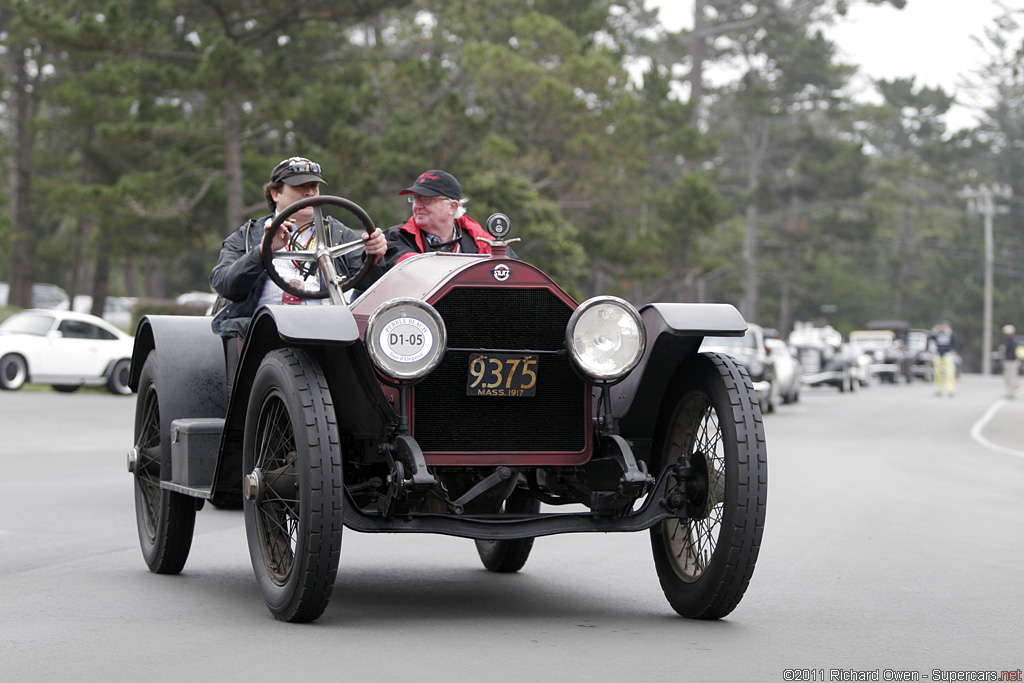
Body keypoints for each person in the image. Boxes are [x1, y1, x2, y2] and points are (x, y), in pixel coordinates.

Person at [210, 156, 387, 339]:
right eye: (300, 186)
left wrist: (373, 257)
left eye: (314, 186)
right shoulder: (248, 235)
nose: (309, 192)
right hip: (263, 335)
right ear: (275, 194)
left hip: (328, 334)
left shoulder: (339, 234)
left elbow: (369, 287)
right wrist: (262, 252)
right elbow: (225, 285)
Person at [384, 169, 517, 266]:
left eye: (425, 199)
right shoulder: (394, 239)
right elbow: (408, 266)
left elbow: (515, 274)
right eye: (414, 199)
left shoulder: (485, 244)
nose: (417, 206)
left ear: (452, 207)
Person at [929, 321, 957, 397]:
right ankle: (939, 390)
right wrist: (935, 329)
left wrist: (948, 331)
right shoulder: (937, 334)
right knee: (938, 373)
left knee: (949, 373)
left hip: (948, 354)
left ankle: (950, 389)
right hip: (938, 354)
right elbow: (930, 337)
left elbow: (954, 339)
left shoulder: (950, 334)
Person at [1000, 324, 1020, 399]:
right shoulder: (1008, 341)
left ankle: (1012, 392)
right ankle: (1010, 391)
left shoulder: (1013, 341)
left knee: (1011, 377)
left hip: (1012, 361)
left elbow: (1014, 352)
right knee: (1008, 377)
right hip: (1008, 360)